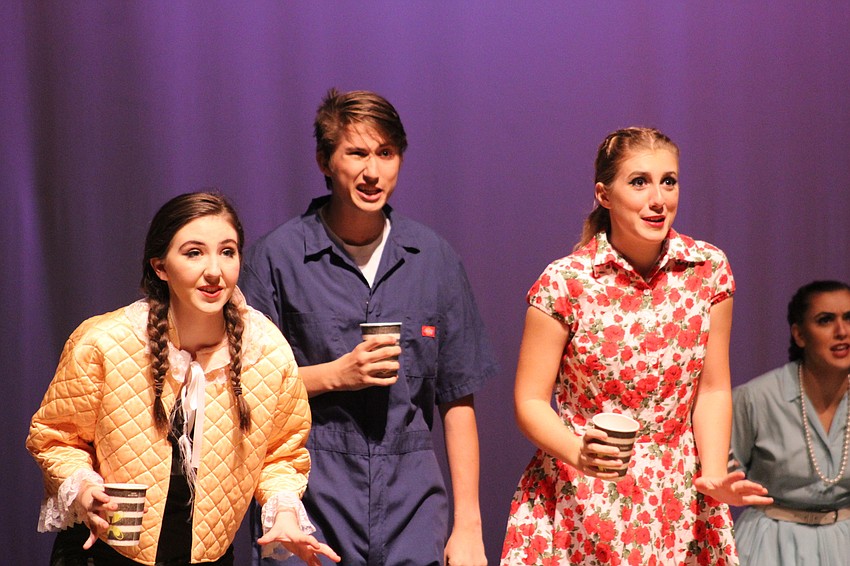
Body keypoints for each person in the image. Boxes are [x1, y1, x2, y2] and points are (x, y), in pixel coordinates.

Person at [241, 88, 497, 566]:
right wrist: (334, 374)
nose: (373, 171)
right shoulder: (276, 259)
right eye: (356, 153)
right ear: (324, 159)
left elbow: (457, 400)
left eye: (386, 153)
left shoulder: (434, 260)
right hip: (308, 498)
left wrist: (469, 527)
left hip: (413, 504)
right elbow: (243, 392)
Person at [500, 127, 772, 565]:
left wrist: (715, 474)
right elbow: (530, 400)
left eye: (669, 181)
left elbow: (713, 388)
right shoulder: (566, 281)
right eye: (639, 181)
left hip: (679, 495)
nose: (658, 198)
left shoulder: (707, 269)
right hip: (582, 495)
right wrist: (579, 454)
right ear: (604, 195)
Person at [26, 192, 340, 566]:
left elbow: (282, 453)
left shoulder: (266, 350)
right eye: (194, 253)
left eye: (227, 252)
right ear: (160, 267)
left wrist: (285, 514)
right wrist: (84, 489)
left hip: (209, 557)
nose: (214, 270)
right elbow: (55, 437)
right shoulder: (104, 342)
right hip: (103, 552)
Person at [731, 280, 850, 565]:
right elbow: (722, 479)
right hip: (771, 544)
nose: (842, 331)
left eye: (849, 318)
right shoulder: (755, 398)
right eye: (825, 320)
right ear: (799, 334)